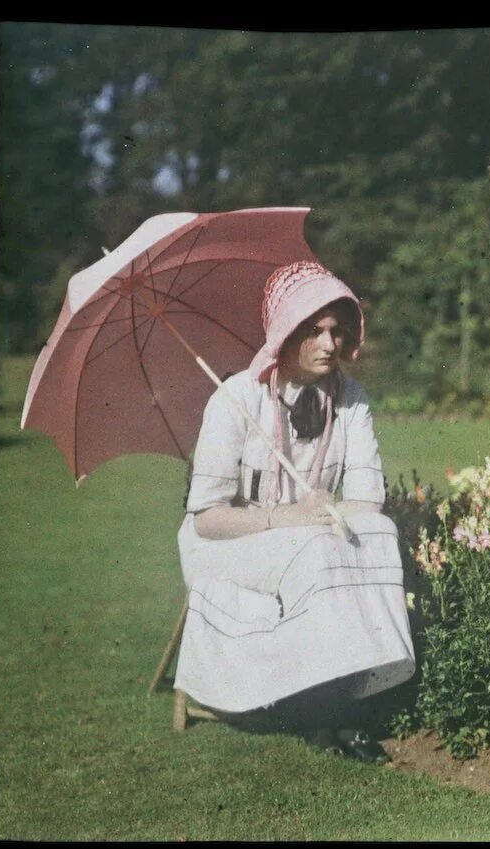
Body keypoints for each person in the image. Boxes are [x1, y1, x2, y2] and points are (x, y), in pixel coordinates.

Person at [174, 260, 414, 761]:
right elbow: (207, 518)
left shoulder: (350, 399)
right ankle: (332, 716)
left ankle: (349, 694)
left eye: (337, 331)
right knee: (316, 549)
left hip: (309, 537)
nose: (330, 344)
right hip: (228, 543)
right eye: (314, 331)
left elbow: (368, 500)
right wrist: (282, 519)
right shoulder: (235, 399)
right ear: (284, 332)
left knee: (379, 532)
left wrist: (319, 512)